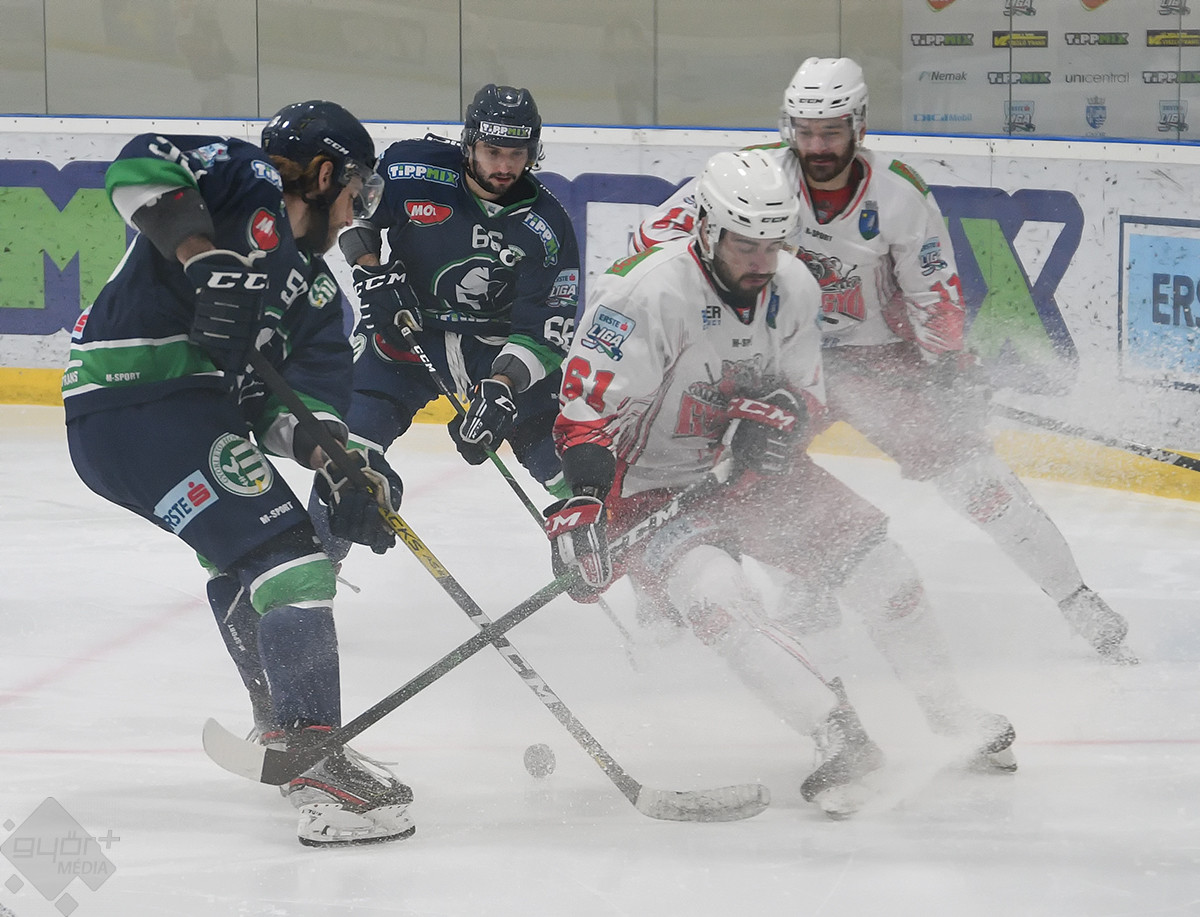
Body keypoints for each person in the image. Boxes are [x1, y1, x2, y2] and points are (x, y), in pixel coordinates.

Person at [548, 149, 1016, 818]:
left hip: (745, 474)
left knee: (881, 564)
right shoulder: (642, 294)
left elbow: (803, 393)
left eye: (774, 244)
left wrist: (780, 422)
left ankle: (948, 709)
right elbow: (584, 417)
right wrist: (590, 503)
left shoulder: (793, 284)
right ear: (706, 229)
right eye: (746, 244)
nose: (762, 262)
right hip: (645, 485)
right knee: (719, 595)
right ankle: (837, 732)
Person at [634, 57, 1136, 665]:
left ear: (860, 125)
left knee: (976, 479)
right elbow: (652, 242)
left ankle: (1075, 597)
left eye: (832, 131)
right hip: (776, 364)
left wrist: (948, 363)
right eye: (805, 131)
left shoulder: (897, 192)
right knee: (745, 469)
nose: (817, 147)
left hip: (875, 361)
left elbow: (934, 291)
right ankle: (798, 586)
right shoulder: (754, 178)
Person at [62, 101, 414, 847]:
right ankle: (318, 767)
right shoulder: (243, 178)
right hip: (135, 396)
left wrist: (343, 468)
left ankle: (284, 729)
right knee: (293, 561)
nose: (355, 213)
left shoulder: (317, 295)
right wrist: (201, 257)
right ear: (326, 174)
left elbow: (295, 413)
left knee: (253, 557)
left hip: (184, 420)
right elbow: (137, 162)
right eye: (356, 193)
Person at [313, 83, 580, 561]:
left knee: (565, 461)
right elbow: (355, 213)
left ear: (533, 152)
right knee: (344, 462)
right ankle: (310, 577)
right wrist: (371, 271)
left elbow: (546, 330)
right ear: (469, 144)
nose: (504, 166)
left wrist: (502, 387)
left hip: (494, 351)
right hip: (403, 335)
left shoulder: (548, 225)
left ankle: (605, 548)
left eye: (516, 154)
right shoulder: (410, 168)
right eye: (492, 151)